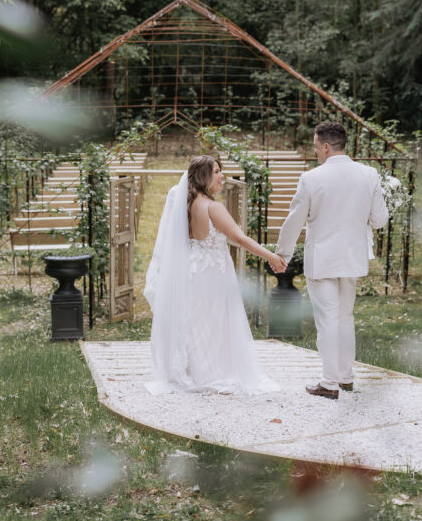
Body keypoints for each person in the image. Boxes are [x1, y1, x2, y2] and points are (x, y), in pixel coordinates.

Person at [144, 155, 283, 395]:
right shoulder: (212, 206)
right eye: (216, 171)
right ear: (203, 176)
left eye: (221, 171)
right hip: (213, 272)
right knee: (216, 323)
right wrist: (270, 256)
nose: (222, 176)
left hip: (192, 270)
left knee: (196, 322)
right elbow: (239, 238)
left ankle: (195, 372)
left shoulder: (185, 203)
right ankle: (212, 372)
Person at [275, 122, 389, 400]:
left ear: (326, 146)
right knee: (344, 317)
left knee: (327, 320)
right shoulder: (369, 174)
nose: (315, 152)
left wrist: (282, 254)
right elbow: (380, 219)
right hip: (352, 259)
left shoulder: (311, 178)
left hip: (323, 260)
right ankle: (346, 377)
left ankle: (329, 383)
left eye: (315, 146)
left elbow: (294, 221)